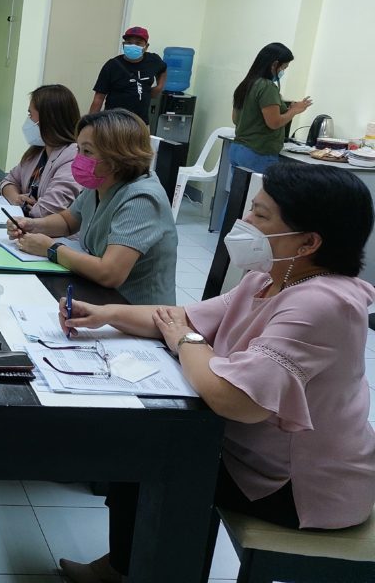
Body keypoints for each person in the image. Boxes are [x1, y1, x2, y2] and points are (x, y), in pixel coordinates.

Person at [56, 161, 375, 583]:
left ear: (308, 242)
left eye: (260, 215)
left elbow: (233, 399)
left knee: (160, 460)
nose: (243, 222)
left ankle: (140, 571)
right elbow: (179, 316)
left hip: (300, 486)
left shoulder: (323, 303)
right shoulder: (267, 280)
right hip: (253, 456)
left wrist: (188, 343)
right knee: (147, 446)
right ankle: (123, 568)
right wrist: (105, 313)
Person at [7, 109, 177, 305]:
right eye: (78, 149)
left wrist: (51, 249)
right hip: (99, 297)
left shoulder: (142, 199)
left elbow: (109, 273)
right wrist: (32, 224)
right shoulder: (100, 183)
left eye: (87, 151)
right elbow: (67, 221)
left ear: (118, 157)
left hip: (136, 314)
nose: (78, 158)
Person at [229, 42, 313, 178]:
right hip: (258, 153)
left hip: (238, 149)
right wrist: (294, 111)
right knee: (259, 196)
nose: (283, 71)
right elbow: (273, 123)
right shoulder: (267, 87)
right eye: (284, 67)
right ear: (274, 65)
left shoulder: (246, 84)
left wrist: (286, 111)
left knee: (238, 196)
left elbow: (235, 119)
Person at [0, 84, 81, 218]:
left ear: (49, 119)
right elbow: (8, 181)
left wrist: (25, 206)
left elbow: (46, 211)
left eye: (30, 114)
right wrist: (16, 198)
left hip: (52, 236)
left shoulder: (73, 157)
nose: (28, 120)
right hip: (27, 226)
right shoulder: (37, 152)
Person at [89, 26, 167, 125]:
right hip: (114, 123)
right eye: (129, 42)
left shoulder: (153, 60)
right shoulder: (112, 65)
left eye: (138, 43)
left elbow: (163, 69)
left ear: (146, 46)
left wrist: (159, 87)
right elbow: (98, 98)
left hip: (141, 124)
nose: (133, 45)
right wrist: (89, 124)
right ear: (123, 45)